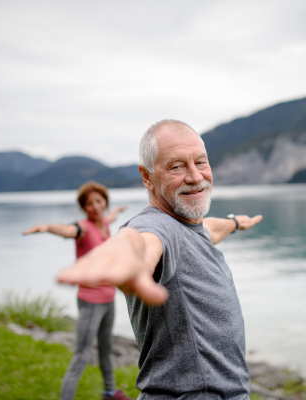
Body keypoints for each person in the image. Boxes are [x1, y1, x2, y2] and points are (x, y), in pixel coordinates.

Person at [57, 120, 263, 400]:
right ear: (147, 177)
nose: (194, 176)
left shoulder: (187, 225)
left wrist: (234, 222)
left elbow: (208, 229)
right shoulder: (156, 226)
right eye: (176, 166)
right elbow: (143, 242)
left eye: (201, 162)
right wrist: (131, 261)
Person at [22, 181, 133, 400]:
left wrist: (117, 212)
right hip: (91, 302)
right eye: (89, 204)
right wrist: (48, 227)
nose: (95, 206)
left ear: (105, 202)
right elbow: (68, 229)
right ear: (83, 208)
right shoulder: (83, 228)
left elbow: (109, 218)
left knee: (105, 348)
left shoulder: (104, 223)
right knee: (82, 355)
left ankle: (110, 392)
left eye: (99, 201)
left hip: (108, 298)